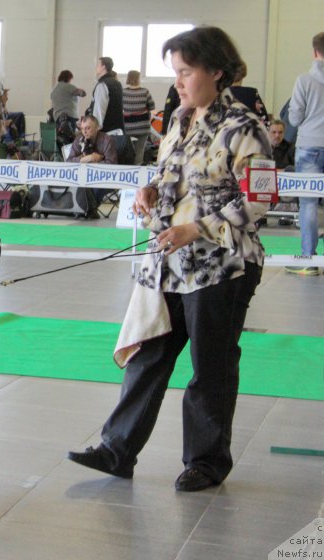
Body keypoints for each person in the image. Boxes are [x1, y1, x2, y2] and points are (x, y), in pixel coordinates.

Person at [67, 26, 271, 492]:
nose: (178, 82)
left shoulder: (244, 126)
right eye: (174, 73)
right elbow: (167, 174)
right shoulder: (178, 119)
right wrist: (149, 190)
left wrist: (195, 227)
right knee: (149, 353)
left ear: (216, 71)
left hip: (224, 265)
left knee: (210, 365)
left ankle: (206, 461)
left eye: (186, 71)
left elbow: (260, 199)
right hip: (172, 261)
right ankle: (117, 450)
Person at [286, 32, 324, 276]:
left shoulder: (304, 80)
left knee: (308, 204)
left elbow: (294, 118)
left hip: (309, 145)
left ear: (314, 52)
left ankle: (309, 259)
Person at [66, 114, 117, 212]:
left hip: (103, 178)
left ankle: (88, 210)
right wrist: (87, 158)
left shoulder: (107, 140)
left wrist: (95, 163)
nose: (84, 131)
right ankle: (75, 209)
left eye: (88, 128)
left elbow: (111, 165)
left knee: (94, 187)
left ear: (97, 127)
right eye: (82, 128)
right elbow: (69, 162)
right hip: (82, 177)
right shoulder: (79, 140)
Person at [122, 70, 155, 165]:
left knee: (128, 151)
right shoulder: (145, 91)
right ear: (138, 79)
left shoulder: (123, 92)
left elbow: (120, 107)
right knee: (140, 151)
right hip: (143, 127)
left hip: (128, 127)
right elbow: (152, 106)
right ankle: (137, 171)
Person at [87, 57, 124, 133]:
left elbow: (99, 111)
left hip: (106, 132)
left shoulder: (102, 85)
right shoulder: (117, 83)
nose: (96, 67)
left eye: (98, 65)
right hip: (118, 130)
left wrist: (94, 130)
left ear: (103, 67)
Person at [230, 62, 270, 128]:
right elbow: (265, 121)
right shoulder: (252, 93)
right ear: (244, 74)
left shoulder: (220, 95)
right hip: (248, 135)